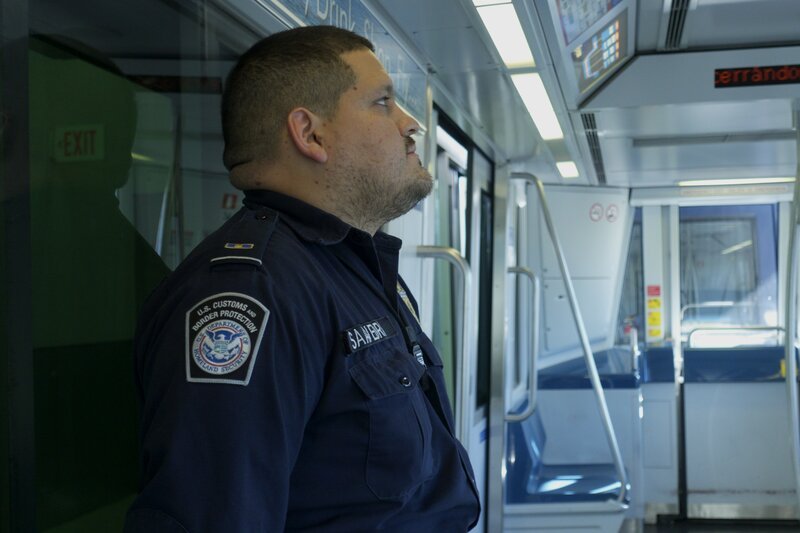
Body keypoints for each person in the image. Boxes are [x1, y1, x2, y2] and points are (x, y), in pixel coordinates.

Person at [124, 25, 481, 532]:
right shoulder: (252, 294)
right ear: (310, 134)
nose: (410, 125)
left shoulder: (353, 269)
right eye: (383, 103)